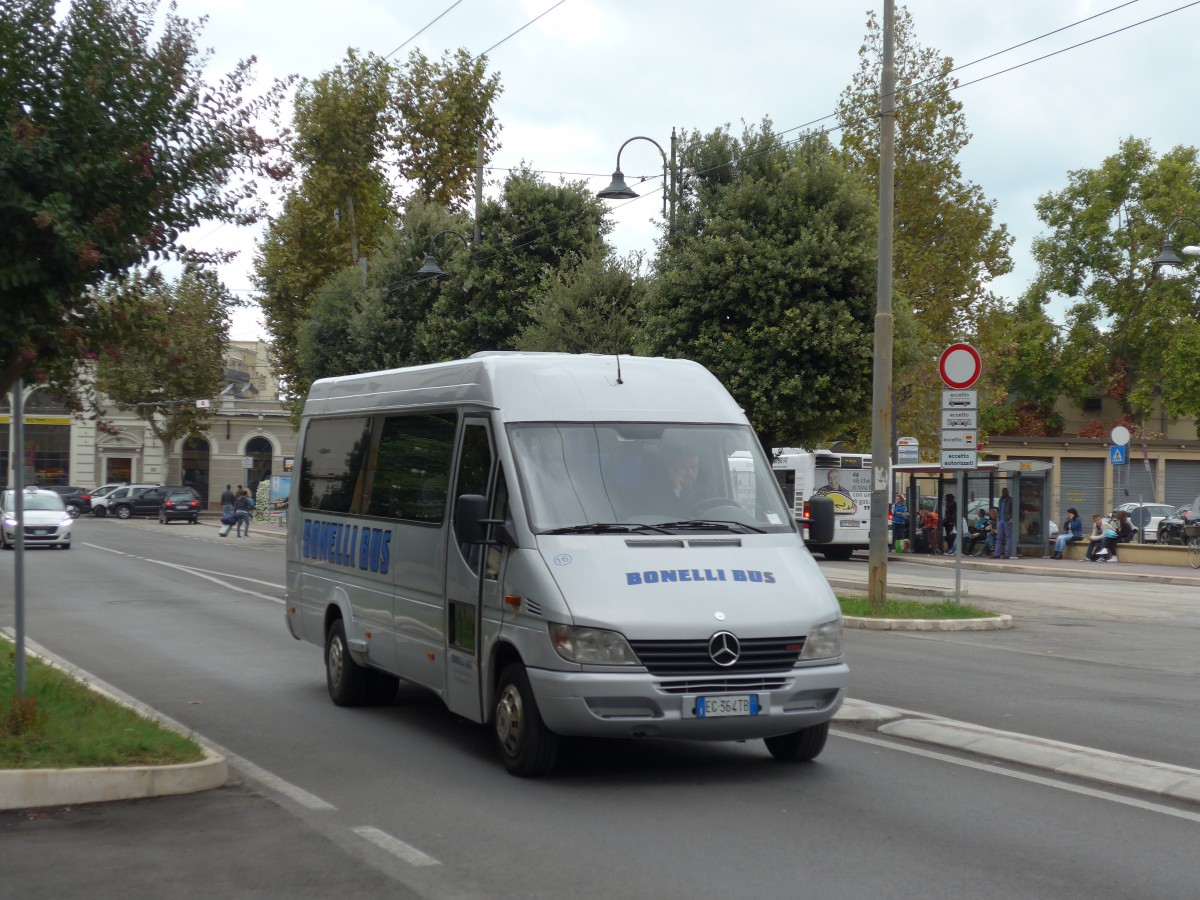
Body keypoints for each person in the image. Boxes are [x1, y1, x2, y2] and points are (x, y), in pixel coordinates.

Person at [993, 487, 1014, 559]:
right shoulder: (1000, 499)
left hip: (1007, 520)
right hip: (1000, 520)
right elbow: (999, 509)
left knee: (1008, 537)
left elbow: (1013, 510)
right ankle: (997, 554)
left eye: (1005, 492)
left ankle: (1007, 554)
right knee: (998, 537)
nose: (1004, 493)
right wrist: (998, 517)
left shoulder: (1010, 500)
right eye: (1003, 492)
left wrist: (1011, 519)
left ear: (1008, 492)